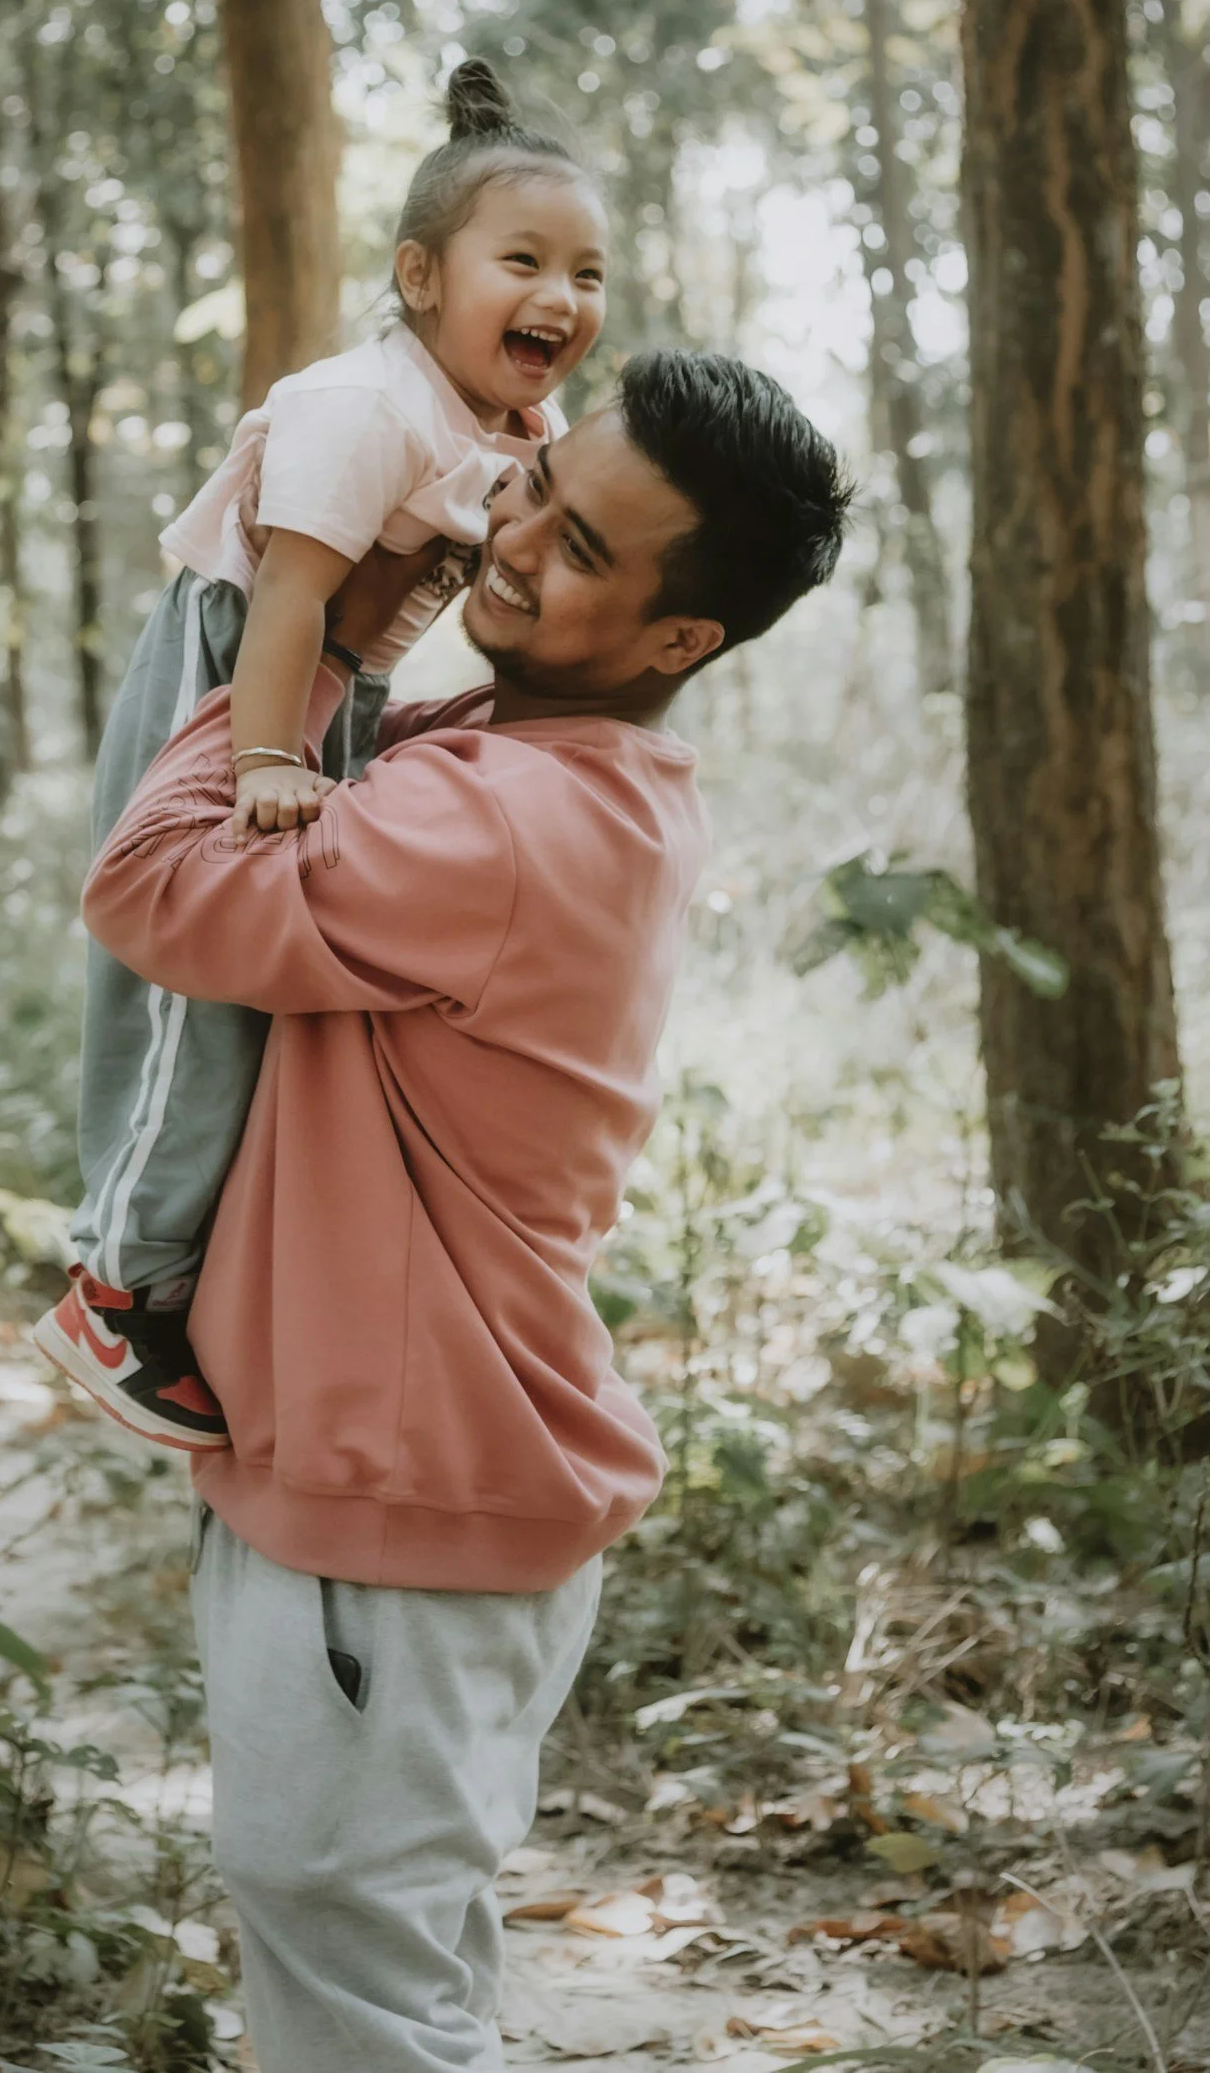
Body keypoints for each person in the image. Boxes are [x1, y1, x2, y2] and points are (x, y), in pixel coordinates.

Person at [78, 351, 854, 2073]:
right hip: (392, 1490)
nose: (508, 542)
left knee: (356, 2006)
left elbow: (143, 887)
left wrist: (323, 628)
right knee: (390, 1988)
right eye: (531, 488)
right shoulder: (521, 759)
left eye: (580, 549)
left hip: (393, 1509)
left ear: (678, 643)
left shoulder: (497, 814)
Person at [38, 60, 610, 1450]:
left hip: (326, 686)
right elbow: (288, 595)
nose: (563, 298)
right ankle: (110, 1288)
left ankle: (193, 1263)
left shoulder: (507, 422)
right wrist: (254, 766)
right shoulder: (366, 405)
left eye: (588, 275)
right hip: (238, 668)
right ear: (420, 277)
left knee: (283, 984)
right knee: (198, 989)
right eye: (522, 261)